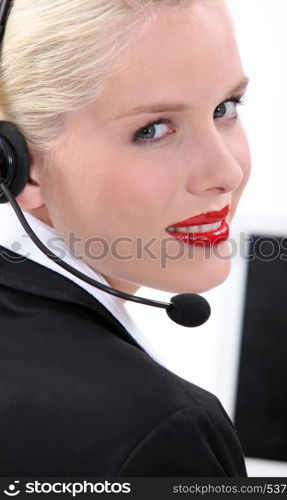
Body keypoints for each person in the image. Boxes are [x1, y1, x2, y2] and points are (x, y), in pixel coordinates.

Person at [0, 0, 251, 476]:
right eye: (153, 129)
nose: (227, 171)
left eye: (226, 107)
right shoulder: (160, 432)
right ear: (18, 167)